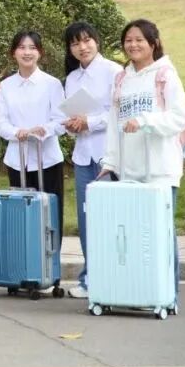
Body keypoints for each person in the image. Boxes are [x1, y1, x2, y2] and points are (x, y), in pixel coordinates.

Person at [98, 19, 185, 307]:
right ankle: (141, 293)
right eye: (128, 40)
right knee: (135, 234)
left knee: (161, 234)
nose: (133, 45)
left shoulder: (165, 74)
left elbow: (179, 118)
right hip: (129, 170)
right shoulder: (122, 79)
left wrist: (146, 121)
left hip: (160, 170)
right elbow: (114, 124)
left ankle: (168, 296)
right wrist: (110, 161)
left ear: (153, 43)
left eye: (139, 40)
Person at [60, 21, 123, 299]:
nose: (82, 47)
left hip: (109, 156)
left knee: (110, 219)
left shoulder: (113, 71)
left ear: (96, 41)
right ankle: (89, 279)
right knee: (86, 221)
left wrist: (90, 121)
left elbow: (118, 114)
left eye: (86, 40)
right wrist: (72, 125)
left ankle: (113, 278)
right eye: (75, 43)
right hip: (83, 156)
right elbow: (71, 116)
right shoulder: (72, 78)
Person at [0, 30, 66, 228]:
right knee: (22, 216)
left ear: (40, 52)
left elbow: (61, 120)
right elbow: (0, 122)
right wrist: (17, 132)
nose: (27, 52)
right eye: (22, 47)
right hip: (18, 159)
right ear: (13, 53)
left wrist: (42, 130)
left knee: (50, 214)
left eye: (32, 48)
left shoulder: (52, 84)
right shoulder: (6, 86)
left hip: (48, 159)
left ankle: (52, 248)